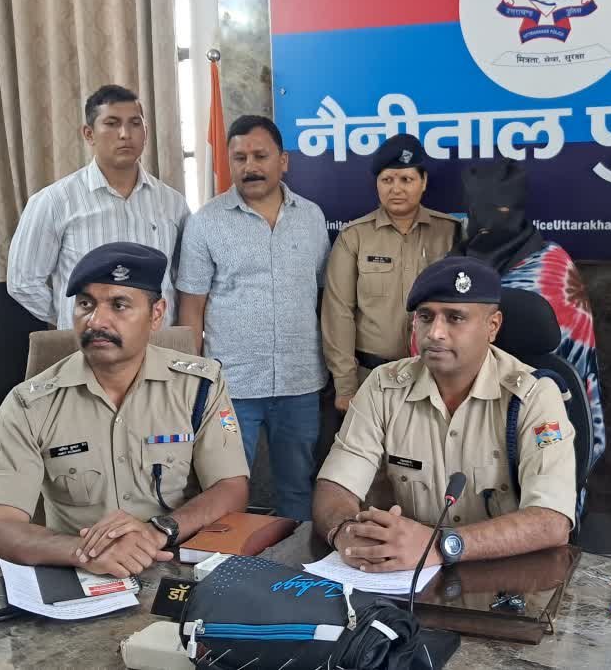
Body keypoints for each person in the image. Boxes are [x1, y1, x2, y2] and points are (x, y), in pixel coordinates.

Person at [0, 242, 251, 578]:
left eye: (119, 305)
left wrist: (157, 531)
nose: (96, 320)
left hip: (175, 565)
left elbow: (231, 488)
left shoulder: (198, 386)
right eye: (85, 304)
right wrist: (84, 552)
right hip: (78, 574)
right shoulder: (29, 404)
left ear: (156, 314)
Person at [312, 256, 577, 570]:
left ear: (492, 326)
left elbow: (551, 521)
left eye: (455, 318)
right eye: (426, 316)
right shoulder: (383, 387)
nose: (435, 332)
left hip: (502, 574)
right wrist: (345, 533)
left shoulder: (533, 396)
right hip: (402, 572)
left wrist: (441, 544)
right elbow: (335, 487)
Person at [176, 115, 330, 522]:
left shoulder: (312, 217)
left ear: (284, 161)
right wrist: (193, 380)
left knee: (297, 487)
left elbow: (320, 295)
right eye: (239, 157)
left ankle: (296, 560)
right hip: (231, 386)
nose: (250, 166)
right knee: (226, 490)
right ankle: (228, 561)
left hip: (300, 382)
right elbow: (191, 308)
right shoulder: (205, 222)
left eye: (260, 156)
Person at [449, 158, 606, 514]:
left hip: (542, 413)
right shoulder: (454, 266)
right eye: (480, 210)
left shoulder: (551, 265)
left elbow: (577, 360)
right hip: (465, 418)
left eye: (501, 210)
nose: (490, 221)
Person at [7, 84, 190, 329]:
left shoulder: (173, 203)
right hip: (90, 342)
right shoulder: (54, 201)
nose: (125, 134)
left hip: (158, 342)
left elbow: (184, 280)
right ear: (89, 134)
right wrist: (72, 317)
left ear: (146, 131)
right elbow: (23, 282)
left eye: (135, 123)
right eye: (112, 123)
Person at [321, 134, 461, 413]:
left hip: (436, 377)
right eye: (387, 180)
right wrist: (346, 386)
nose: (396, 189)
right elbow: (338, 313)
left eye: (406, 179)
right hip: (371, 379)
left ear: (423, 182)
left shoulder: (451, 233)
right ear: (377, 184)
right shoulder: (355, 237)